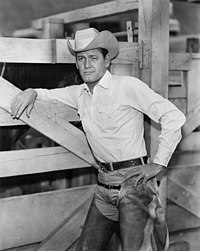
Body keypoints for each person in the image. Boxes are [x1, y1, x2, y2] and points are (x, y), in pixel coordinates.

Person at [11, 28, 186, 251]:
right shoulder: (79, 93)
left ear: (107, 61)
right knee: (86, 248)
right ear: (75, 64)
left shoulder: (127, 86)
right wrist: (31, 91)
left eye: (93, 58)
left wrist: (158, 164)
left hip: (134, 183)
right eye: (81, 59)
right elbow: (48, 93)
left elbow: (174, 116)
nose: (87, 64)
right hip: (104, 183)